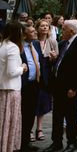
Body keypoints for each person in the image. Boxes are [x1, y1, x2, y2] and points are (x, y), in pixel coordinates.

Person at [44, 20, 77, 152]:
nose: (61, 31)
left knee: (71, 116)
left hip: (70, 87)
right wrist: (53, 60)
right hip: (58, 85)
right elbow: (59, 63)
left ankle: (72, 142)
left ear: (71, 31)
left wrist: (75, 88)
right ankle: (56, 142)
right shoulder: (62, 43)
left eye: (63, 29)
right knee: (57, 116)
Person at [1, 22, 27, 152]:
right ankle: (7, 147)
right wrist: (22, 68)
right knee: (9, 122)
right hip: (11, 90)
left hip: (3, 89)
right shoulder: (12, 47)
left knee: (3, 122)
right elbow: (11, 72)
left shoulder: (2, 45)